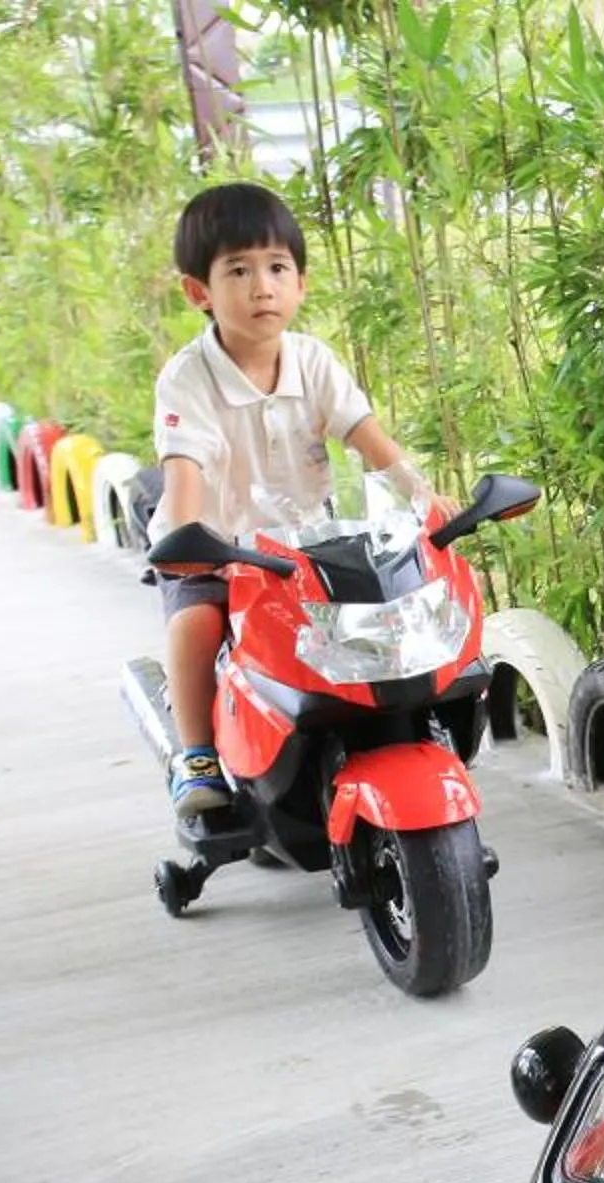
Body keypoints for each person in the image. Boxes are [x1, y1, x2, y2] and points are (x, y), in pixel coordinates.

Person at [149, 181, 430, 816]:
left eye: (277, 268)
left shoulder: (313, 361)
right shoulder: (188, 379)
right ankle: (194, 754)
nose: (261, 288)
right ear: (199, 292)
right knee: (197, 621)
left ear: (301, 283)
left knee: (383, 616)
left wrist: (421, 496)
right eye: (238, 271)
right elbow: (184, 472)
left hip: (305, 546)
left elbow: (369, 439)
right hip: (216, 551)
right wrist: (192, 541)